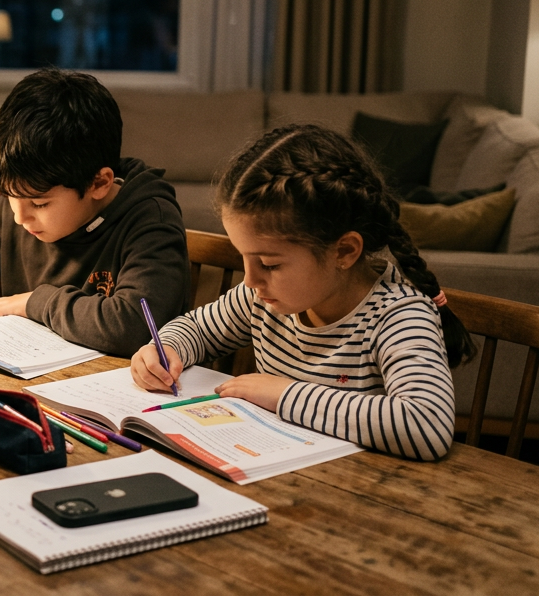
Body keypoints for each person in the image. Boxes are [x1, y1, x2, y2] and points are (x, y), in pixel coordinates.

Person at [131, 123, 473, 461]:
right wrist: (165, 349)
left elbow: (427, 425)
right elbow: (197, 329)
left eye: (269, 264)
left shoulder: (398, 315)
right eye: (243, 258)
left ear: (343, 251)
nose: (250, 280)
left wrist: (284, 394)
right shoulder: (262, 299)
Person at [0, 68, 190, 355]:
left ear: (99, 183)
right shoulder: (21, 205)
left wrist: (36, 303)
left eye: (40, 204)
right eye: (9, 196)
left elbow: (134, 326)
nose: (19, 217)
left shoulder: (150, 221)